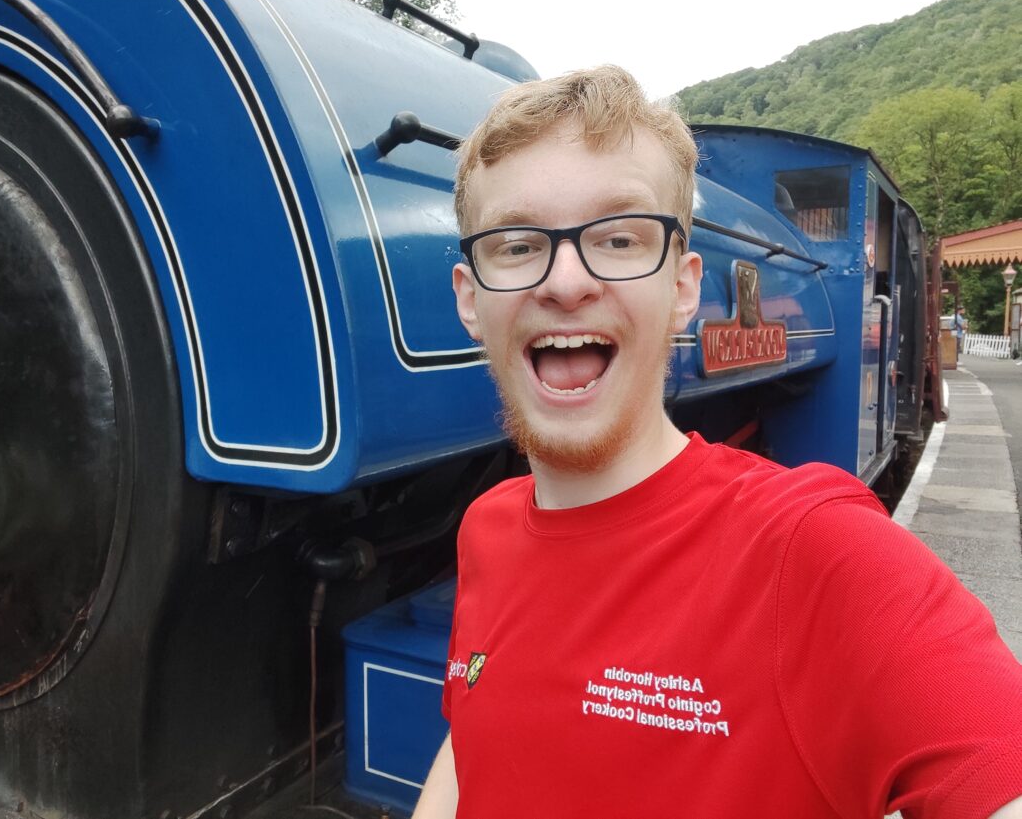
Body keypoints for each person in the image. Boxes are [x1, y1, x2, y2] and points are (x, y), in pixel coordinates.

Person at [412, 65, 1022, 819]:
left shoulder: (816, 552)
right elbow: (472, 738)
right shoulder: (487, 528)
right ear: (470, 299)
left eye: (619, 238)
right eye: (516, 244)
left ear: (684, 288)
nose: (565, 282)